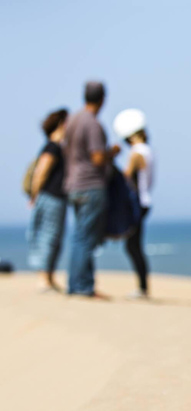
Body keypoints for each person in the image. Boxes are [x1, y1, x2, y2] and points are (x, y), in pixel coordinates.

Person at [64, 81, 120, 297]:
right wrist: (112, 153)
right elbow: (97, 157)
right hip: (90, 185)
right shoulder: (92, 123)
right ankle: (83, 286)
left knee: (79, 236)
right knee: (86, 238)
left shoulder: (72, 120)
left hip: (73, 184)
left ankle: (75, 284)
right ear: (102, 99)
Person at [113, 109, 155, 298]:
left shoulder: (137, 153)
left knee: (133, 246)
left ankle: (143, 288)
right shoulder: (148, 151)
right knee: (134, 246)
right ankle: (143, 287)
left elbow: (127, 177)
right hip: (145, 201)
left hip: (138, 203)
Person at [28, 109, 68, 291]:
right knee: (49, 236)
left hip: (56, 197)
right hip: (51, 196)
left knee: (55, 237)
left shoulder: (58, 146)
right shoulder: (52, 147)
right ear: (61, 123)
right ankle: (44, 278)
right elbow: (41, 173)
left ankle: (49, 278)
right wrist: (34, 195)